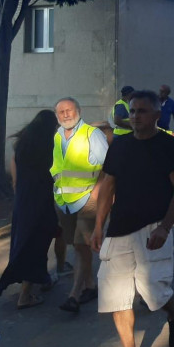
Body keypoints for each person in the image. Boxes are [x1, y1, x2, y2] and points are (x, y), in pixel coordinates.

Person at [90, 90, 174, 347]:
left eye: (142, 111)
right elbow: (108, 186)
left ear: (157, 115)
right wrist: (98, 226)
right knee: (116, 297)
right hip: (119, 229)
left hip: (153, 228)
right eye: (132, 111)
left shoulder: (170, 146)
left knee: (155, 295)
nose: (135, 116)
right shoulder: (119, 146)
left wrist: (165, 227)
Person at [0, 110, 58, 309]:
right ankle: (26, 295)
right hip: (41, 199)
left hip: (24, 198)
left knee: (24, 240)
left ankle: (43, 279)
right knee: (37, 243)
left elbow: (14, 164)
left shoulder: (22, 143)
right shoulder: (48, 145)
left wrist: (16, 184)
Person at [51, 97, 108, 313]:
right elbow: (57, 166)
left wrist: (97, 192)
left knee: (82, 245)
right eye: (61, 111)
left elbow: (108, 165)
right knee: (77, 246)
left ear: (79, 111)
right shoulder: (58, 135)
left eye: (69, 110)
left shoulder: (92, 134)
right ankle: (90, 286)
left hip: (87, 201)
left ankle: (74, 295)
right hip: (64, 201)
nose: (66, 114)